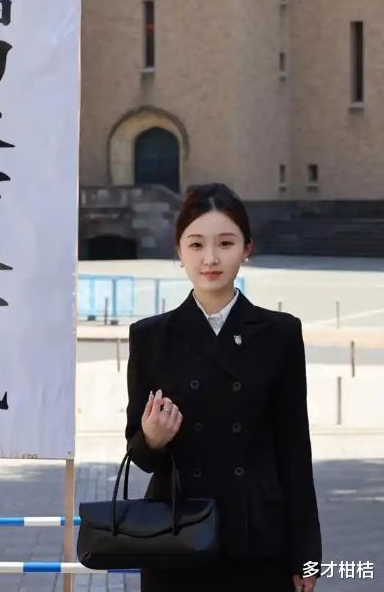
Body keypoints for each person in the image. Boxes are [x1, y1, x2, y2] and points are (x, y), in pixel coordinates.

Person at [125, 182, 322, 592]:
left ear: (247, 248)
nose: (210, 259)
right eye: (196, 244)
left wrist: (306, 555)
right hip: (176, 534)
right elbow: (139, 455)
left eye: (226, 243)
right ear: (178, 251)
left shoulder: (280, 334)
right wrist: (152, 437)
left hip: (257, 537)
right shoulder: (150, 337)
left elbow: (294, 451)